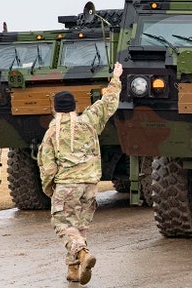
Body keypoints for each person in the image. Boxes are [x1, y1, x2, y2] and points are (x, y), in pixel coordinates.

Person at [38, 62, 123, 284]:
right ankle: (74, 270)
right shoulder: (89, 122)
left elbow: (47, 167)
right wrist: (115, 77)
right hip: (90, 185)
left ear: (55, 109)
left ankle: (83, 254)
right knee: (79, 227)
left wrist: (49, 189)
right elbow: (108, 102)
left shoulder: (52, 133)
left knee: (62, 224)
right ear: (75, 106)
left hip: (67, 184)